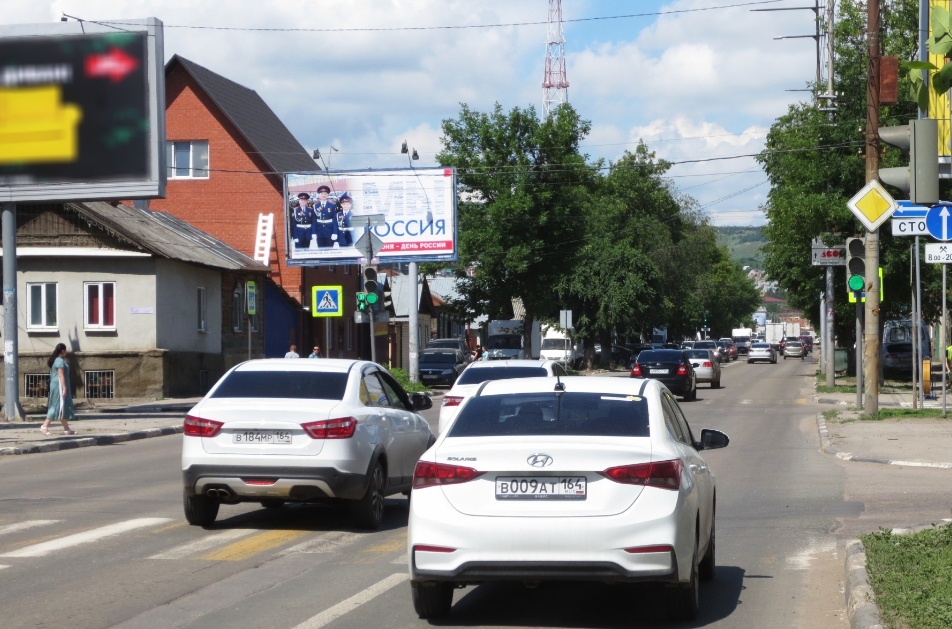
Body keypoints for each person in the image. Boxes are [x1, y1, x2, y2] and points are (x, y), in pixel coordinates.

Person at [41, 343, 76, 436]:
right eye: (66, 350)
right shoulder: (59, 361)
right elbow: (61, 375)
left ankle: (67, 429)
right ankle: (45, 426)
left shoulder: (57, 360)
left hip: (57, 385)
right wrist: (64, 388)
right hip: (59, 386)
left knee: (62, 406)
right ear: (63, 351)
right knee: (57, 405)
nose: (67, 352)